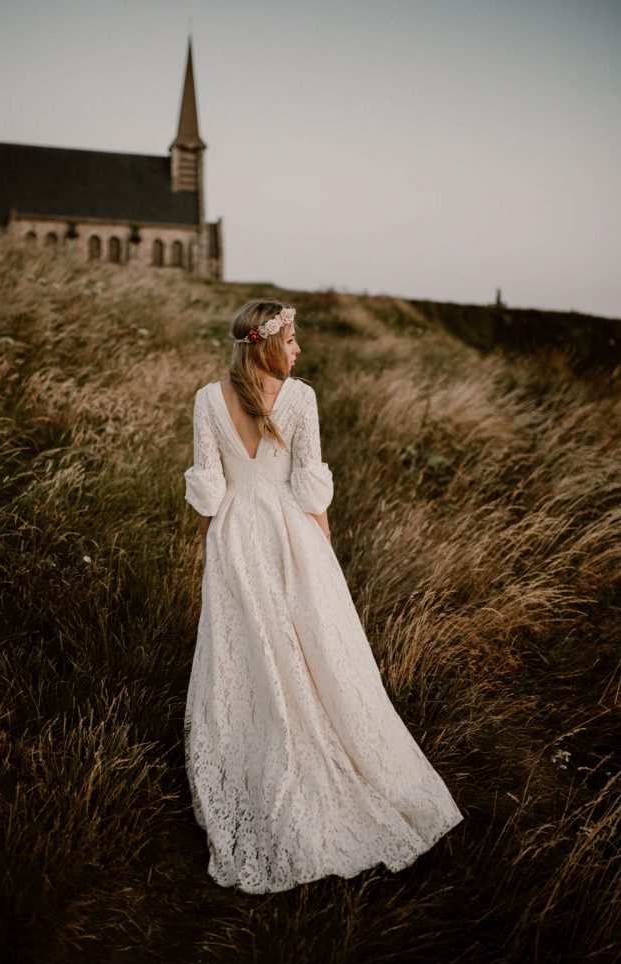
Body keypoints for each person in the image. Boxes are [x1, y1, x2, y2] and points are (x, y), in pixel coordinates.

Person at [183, 298, 464, 894]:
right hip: (290, 534)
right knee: (313, 642)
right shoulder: (301, 398)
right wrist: (325, 554)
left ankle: (261, 752)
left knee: (251, 649)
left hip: (236, 537)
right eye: (291, 339)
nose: (298, 349)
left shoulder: (208, 399)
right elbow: (311, 487)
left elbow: (208, 491)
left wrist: (208, 554)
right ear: (266, 343)